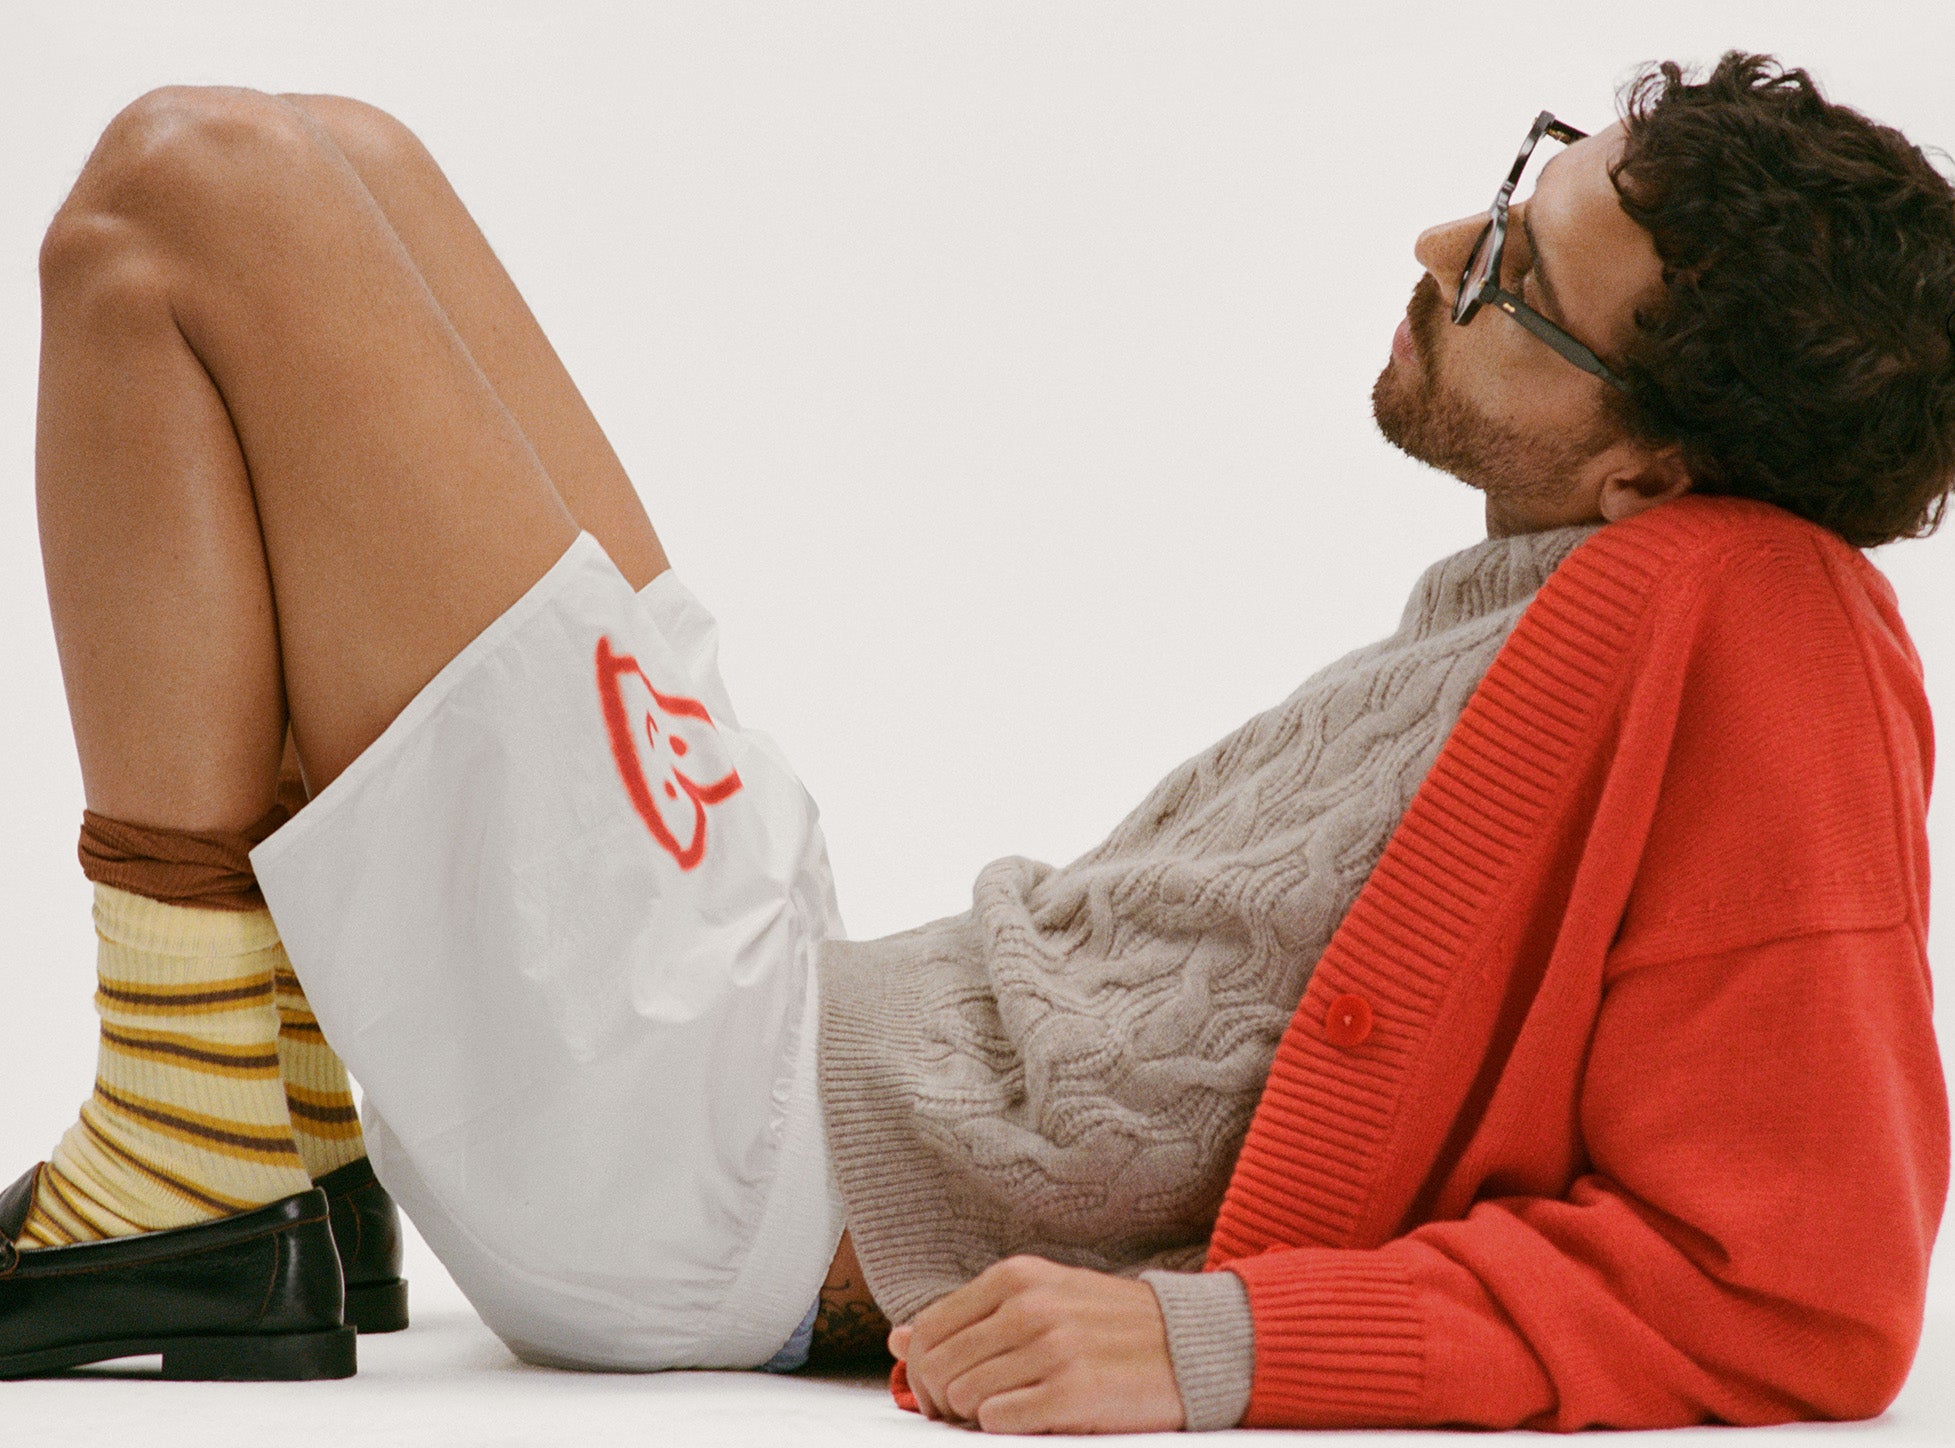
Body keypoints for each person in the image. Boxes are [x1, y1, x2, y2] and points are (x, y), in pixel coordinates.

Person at [0, 49, 1947, 1434]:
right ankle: (279, 1128)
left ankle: (188, 1149)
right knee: (352, 159)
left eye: (1515, 277)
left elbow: (1795, 1293)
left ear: (1652, 472)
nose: (1446, 240)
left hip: (711, 1164)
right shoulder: (1596, 585)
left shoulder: (1771, 627)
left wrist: (1223, 1348)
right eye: (1520, 183)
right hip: (782, 1004)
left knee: (189, 191)